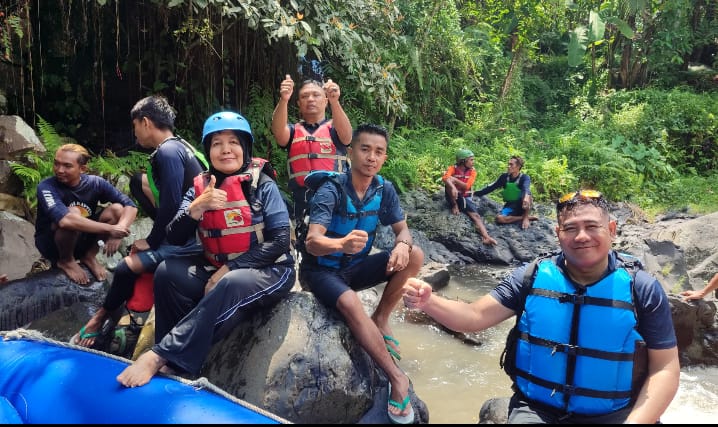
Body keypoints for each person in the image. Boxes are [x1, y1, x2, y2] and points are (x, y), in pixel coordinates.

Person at [403, 189, 680, 424]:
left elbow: (665, 368)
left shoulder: (641, 288)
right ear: (558, 234)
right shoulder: (531, 277)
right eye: (570, 228)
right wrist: (428, 301)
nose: (581, 236)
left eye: (591, 226)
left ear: (611, 230)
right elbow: (474, 316)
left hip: (615, 414)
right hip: (537, 411)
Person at [116, 111, 295, 387]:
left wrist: (229, 268)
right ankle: (175, 362)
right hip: (215, 264)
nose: (226, 150)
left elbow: (281, 240)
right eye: (217, 143)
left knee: (231, 282)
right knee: (167, 272)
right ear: (208, 151)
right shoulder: (199, 186)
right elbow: (174, 237)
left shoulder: (262, 184)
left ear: (245, 148)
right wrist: (196, 208)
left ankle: (161, 355)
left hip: (270, 268)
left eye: (233, 142)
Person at [299, 124, 425, 424]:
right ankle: (397, 379)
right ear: (350, 152)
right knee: (352, 304)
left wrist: (403, 246)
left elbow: (402, 228)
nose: (371, 157)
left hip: (354, 269)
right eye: (365, 149)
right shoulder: (331, 189)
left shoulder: (384, 189)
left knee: (416, 255)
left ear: (384, 157)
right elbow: (312, 242)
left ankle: (380, 318)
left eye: (379, 152)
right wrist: (341, 243)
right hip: (321, 271)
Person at [74, 95, 207, 348]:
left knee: (125, 268)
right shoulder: (181, 146)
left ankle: (99, 319)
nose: (135, 133)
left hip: (190, 238)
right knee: (137, 181)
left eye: (135, 126)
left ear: (145, 122)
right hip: (190, 226)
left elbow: (171, 203)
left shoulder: (168, 151)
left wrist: (154, 240)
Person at [34, 143, 137, 285]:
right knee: (73, 213)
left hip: (82, 238)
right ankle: (66, 261)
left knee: (117, 209)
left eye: (67, 166)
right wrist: (111, 229)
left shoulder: (96, 183)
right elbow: (65, 221)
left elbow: (130, 206)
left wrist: (119, 230)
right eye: (56, 164)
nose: (59, 170)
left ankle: (89, 256)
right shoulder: (47, 186)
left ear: (82, 169)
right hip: (52, 243)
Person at [270, 74, 353, 220]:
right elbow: (278, 133)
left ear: (325, 101)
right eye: (304, 96)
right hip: (302, 199)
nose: (310, 99)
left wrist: (335, 102)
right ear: (298, 103)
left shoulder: (335, 128)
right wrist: (284, 99)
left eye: (316, 95)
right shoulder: (293, 131)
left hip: (335, 197)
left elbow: (347, 138)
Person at [442, 148, 497, 245]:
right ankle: (454, 205)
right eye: (471, 160)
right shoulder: (452, 168)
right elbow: (445, 178)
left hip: (464, 197)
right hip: (452, 196)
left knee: (475, 216)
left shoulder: (472, 171)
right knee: (448, 182)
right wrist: (453, 186)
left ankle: (486, 237)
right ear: (463, 161)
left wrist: (454, 180)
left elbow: (466, 186)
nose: (473, 162)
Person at [473, 155, 537, 230]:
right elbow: (491, 187)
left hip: (523, 205)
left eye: (511, 164)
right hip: (511, 205)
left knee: (527, 195)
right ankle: (523, 218)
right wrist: (475, 193)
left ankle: (526, 217)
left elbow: (526, 188)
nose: (508, 166)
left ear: (518, 166)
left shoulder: (525, 177)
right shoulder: (504, 177)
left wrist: (526, 197)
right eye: (508, 164)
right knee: (499, 218)